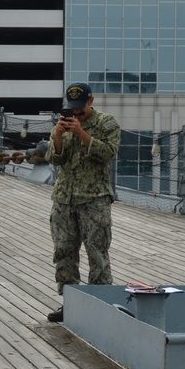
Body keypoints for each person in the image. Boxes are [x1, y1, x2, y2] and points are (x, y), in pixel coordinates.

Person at [45, 83, 121, 323]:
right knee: (63, 252)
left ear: (91, 101)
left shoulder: (106, 123)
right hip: (64, 199)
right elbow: (55, 159)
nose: (75, 114)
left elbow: (108, 153)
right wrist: (58, 135)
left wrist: (82, 134)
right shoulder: (62, 124)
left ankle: (100, 304)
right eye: (72, 109)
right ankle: (71, 303)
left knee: (97, 252)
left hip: (94, 199)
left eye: (80, 109)